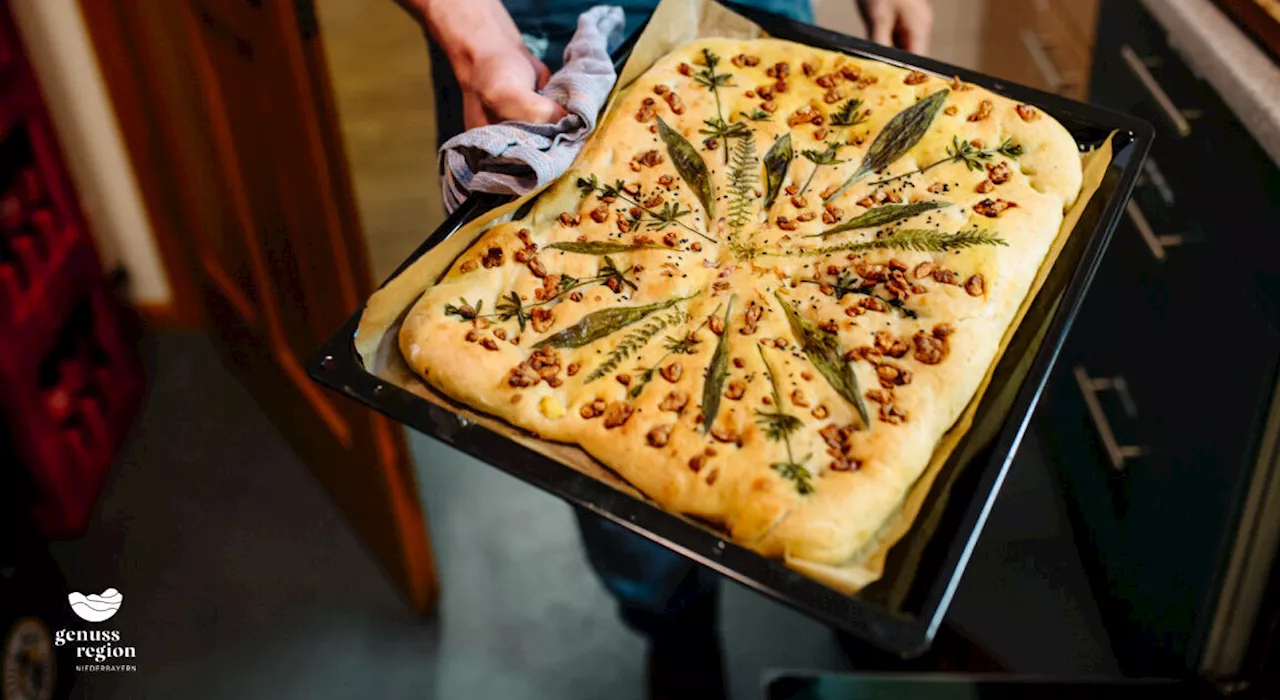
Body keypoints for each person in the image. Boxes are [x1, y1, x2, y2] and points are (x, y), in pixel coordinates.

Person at [393, 0, 932, 697]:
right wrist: (471, 31)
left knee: (869, 428)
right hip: (537, 42)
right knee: (616, 464)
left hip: (754, 22)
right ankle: (674, 630)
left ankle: (871, 623)